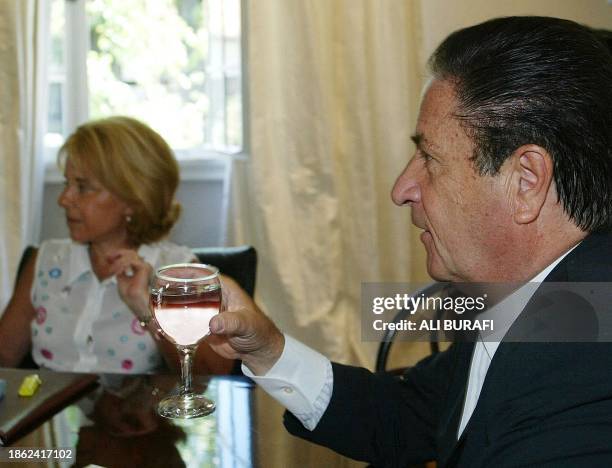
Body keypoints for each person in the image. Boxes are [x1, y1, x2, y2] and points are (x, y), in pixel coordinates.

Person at [206, 16, 612, 466]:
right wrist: (269, 351)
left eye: (429, 157)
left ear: (526, 182)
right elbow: (413, 415)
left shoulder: (587, 368)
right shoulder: (544, 300)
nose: (402, 188)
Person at [0, 116, 233, 375]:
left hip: (133, 414)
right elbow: (4, 356)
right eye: (68, 184)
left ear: (132, 199)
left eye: (83, 187)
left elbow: (211, 374)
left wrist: (145, 306)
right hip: (53, 414)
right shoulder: (46, 260)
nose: (64, 199)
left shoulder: (177, 274)